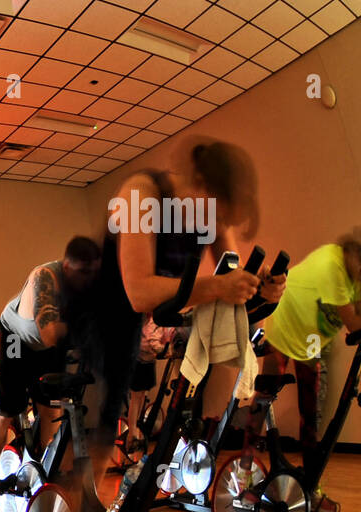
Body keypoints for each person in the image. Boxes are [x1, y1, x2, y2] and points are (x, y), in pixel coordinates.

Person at [86, 136, 285, 484]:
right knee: (108, 410)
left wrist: (261, 288)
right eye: (218, 213)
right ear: (201, 185)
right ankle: (80, 500)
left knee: (218, 347)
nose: (215, 224)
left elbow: (230, 282)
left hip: (157, 316)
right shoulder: (142, 194)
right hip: (107, 310)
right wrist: (220, 286)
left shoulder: (208, 209)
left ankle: (181, 450)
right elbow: (139, 291)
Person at [0, 236, 102, 493]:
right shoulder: (45, 276)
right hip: (15, 338)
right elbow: (49, 333)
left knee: (51, 410)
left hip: (48, 347)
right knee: (7, 409)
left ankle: (45, 469)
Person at [256, 233, 361, 512]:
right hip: (284, 327)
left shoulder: (355, 277)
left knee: (311, 414)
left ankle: (310, 490)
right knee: (265, 400)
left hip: (309, 340)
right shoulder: (334, 265)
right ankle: (245, 474)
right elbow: (353, 322)